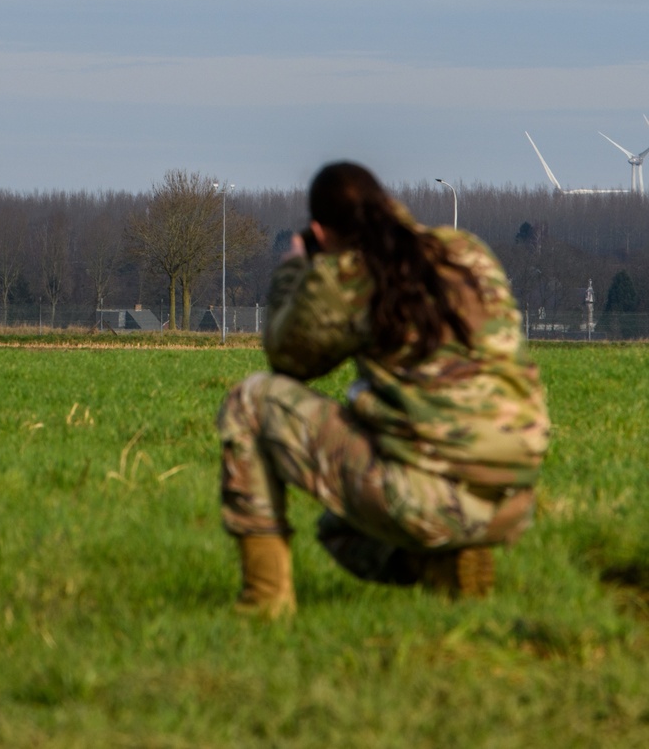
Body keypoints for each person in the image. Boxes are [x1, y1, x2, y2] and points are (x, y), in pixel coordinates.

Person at [217, 162, 549, 615]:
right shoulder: (466, 250)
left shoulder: (353, 274)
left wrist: (296, 269)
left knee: (249, 402)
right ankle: (448, 563)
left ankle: (264, 603)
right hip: (515, 492)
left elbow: (286, 358)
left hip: (428, 497)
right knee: (342, 529)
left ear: (321, 229)